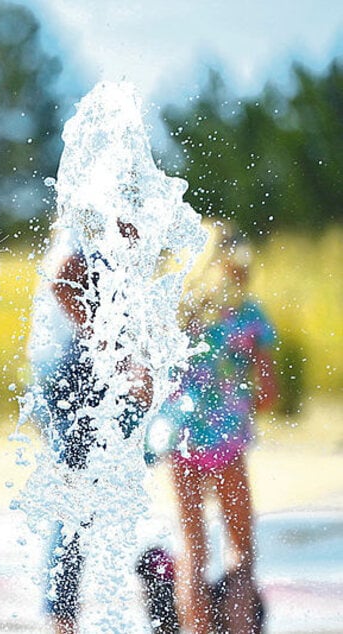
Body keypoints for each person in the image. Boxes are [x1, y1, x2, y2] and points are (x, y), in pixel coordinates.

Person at [35, 220, 152, 634]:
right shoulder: (93, 208)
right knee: (79, 497)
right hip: (75, 372)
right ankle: (61, 617)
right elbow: (62, 277)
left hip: (75, 367)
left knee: (94, 490)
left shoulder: (99, 212)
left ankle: (66, 610)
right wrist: (113, 349)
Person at [163, 222, 277, 634]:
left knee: (192, 548)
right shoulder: (247, 314)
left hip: (182, 438)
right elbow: (268, 393)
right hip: (228, 438)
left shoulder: (179, 310)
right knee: (240, 551)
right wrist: (236, 395)